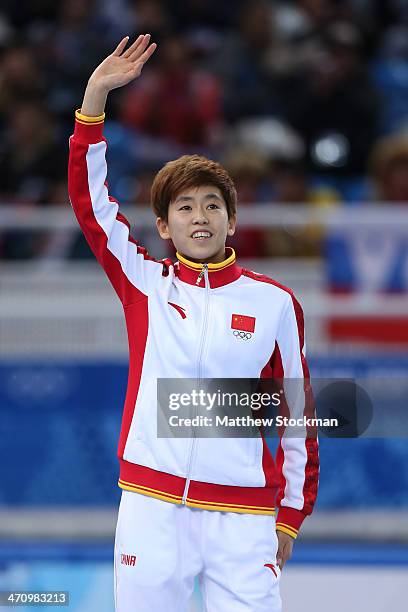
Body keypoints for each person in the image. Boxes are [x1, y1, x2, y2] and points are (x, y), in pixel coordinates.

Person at [68, 34, 319, 612]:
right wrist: (94, 102)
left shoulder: (274, 303)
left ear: (232, 222)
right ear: (164, 226)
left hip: (245, 518)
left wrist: (290, 515)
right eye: (184, 207)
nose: (199, 216)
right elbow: (91, 205)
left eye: (212, 205)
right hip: (151, 509)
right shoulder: (145, 286)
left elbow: (298, 416)